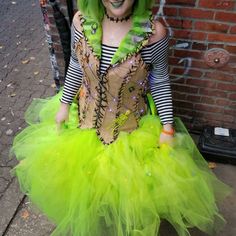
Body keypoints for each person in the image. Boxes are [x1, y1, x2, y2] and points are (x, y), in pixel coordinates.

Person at [11, 0, 231, 235]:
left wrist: (167, 127)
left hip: (131, 133)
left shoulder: (153, 34)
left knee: (127, 198)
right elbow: (76, 64)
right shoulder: (81, 23)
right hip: (83, 127)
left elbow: (160, 82)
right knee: (88, 191)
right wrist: (64, 103)